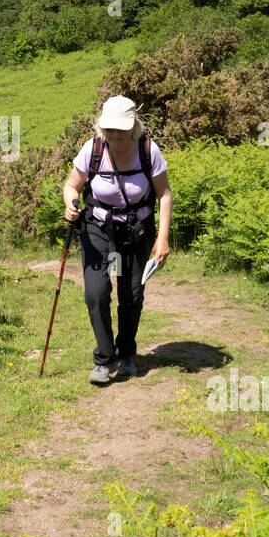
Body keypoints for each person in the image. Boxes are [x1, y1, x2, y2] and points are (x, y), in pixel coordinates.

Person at [62, 95, 172, 385]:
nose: (113, 135)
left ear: (133, 126)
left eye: (119, 130)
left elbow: (165, 194)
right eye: (108, 129)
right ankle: (104, 357)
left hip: (135, 233)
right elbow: (72, 185)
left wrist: (162, 239)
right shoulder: (93, 149)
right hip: (99, 230)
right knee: (96, 292)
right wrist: (71, 202)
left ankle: (126, 353)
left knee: (130, 293)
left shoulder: (149, 151)